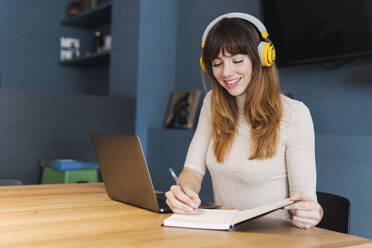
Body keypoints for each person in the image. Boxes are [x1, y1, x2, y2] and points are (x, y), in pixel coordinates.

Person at [165, 12, 323, 229]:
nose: (226, 72)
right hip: (227, 234)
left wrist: (312, 213)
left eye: (237, 60)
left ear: (261, 57)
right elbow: (192, 170)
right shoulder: (212, 102)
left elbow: (305, 200)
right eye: (217, 63)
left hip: (275, 238)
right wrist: (183, 193)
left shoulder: (295, 114)